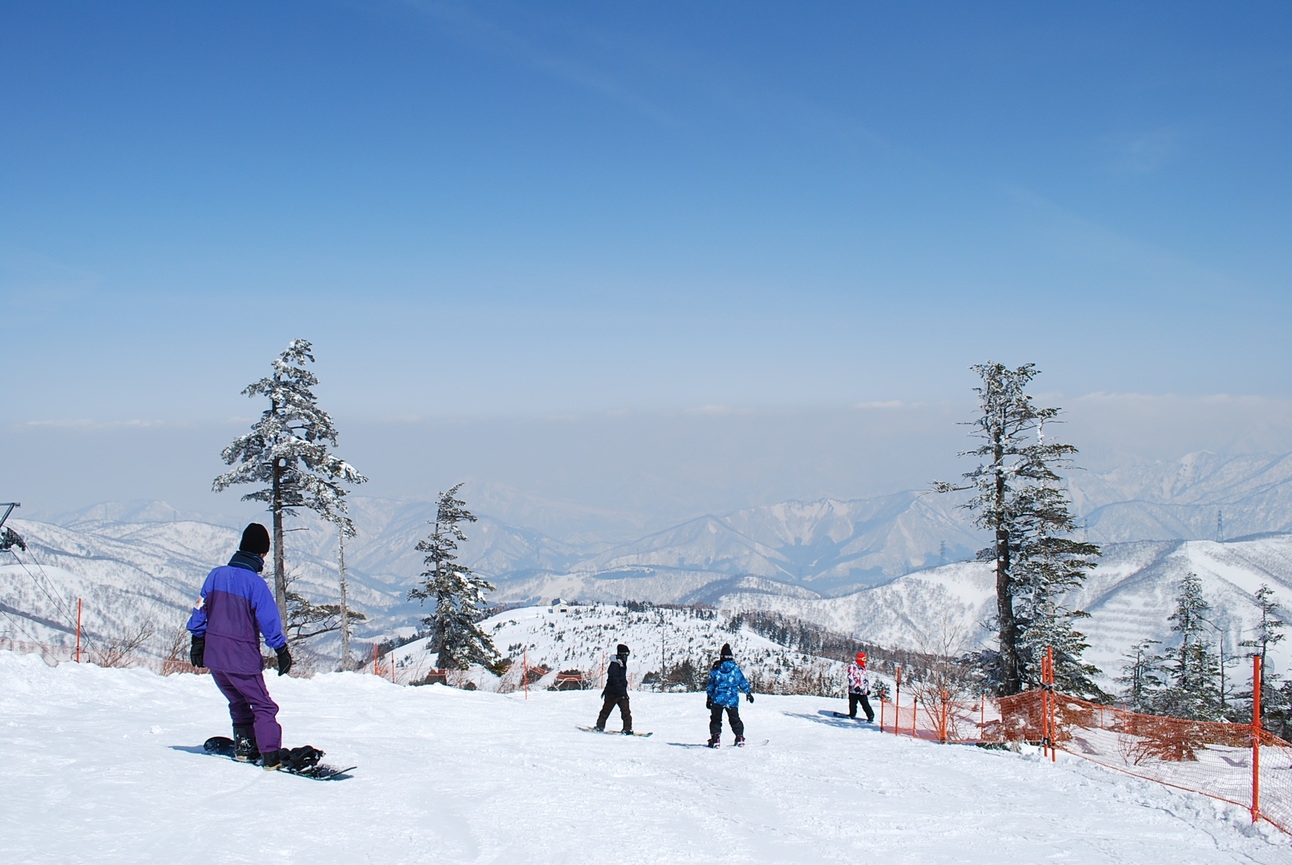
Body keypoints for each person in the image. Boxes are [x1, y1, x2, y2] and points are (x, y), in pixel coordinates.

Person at [186, 523, 294, 769]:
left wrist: (197, 641)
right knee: (263, 705)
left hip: (215, 657)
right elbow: (269, 620)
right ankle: (270, 755)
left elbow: (199, 608)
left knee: (237, 701)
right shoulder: (255, 584)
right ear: (262, 554)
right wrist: (281, 649)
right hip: (241, 658)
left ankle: (245, 748)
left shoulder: (215, 575)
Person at [706, 643, 753, 747]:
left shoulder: (716, 669)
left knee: (716, 719)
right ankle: (739, 737)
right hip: (732, 700)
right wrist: (748, 692)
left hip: (717, 699)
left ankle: (715, 739)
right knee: (735, 719)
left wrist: (709, 698)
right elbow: (742, 681)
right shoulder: (735, 669)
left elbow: (711, 685)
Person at [594, 643, 633, 734]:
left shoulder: (622, 664)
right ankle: (600, 726)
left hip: (621, 693)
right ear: (621, 654)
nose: (626, 657)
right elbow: (614, 679)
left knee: (626, 712)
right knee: (606, 711)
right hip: (612, 693)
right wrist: (621, 690)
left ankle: (627, 729)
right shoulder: (614, 664)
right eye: (626, 655)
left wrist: (624, 691)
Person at [846, 651, 874, 722]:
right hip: (853, 690)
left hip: (862, 690)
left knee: (865, 703)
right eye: (863, 659)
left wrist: (868, 689)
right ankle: (852, 714)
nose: (865, 662)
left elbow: (866, 679)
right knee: (853, 703)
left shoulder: (864, 668)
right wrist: (855, 686)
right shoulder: (852, 667)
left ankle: (870, 715)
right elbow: (850, 677)